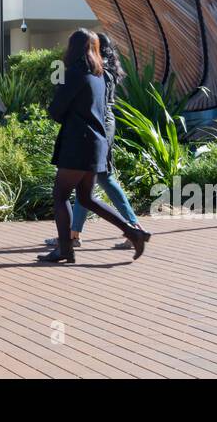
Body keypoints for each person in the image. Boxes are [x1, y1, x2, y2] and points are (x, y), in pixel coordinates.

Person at [39, 29, 147, 264]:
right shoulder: (99, 76)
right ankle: (134, 233)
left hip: (78, 144)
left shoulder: (75, 74)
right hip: (96, 143)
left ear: (73, 48)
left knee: (60, 196)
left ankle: (65, 250)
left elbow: (55, 110)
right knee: (87, 199)